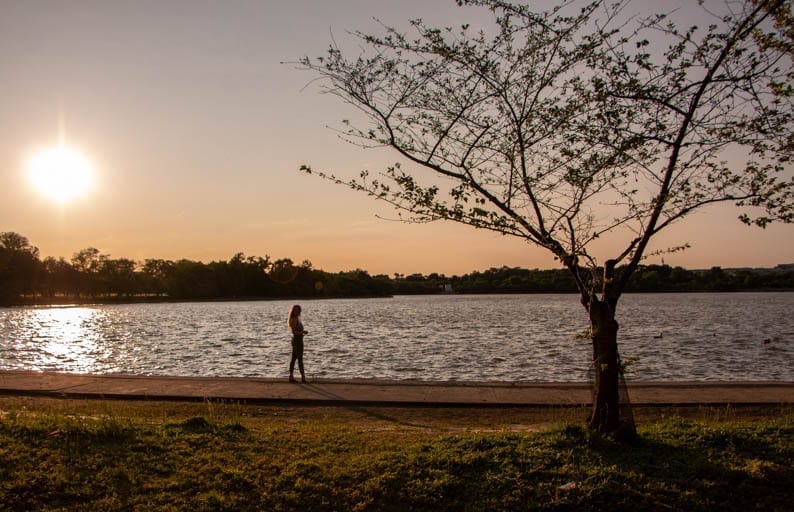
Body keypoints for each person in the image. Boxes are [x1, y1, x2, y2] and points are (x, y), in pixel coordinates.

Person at [287, 304, 308, 383]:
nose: (296, 311)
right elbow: (294, 332)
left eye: (298, 310)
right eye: (295, 310)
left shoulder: (297, 318)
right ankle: (303, 377)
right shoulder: (294, 319)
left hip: (299, 340)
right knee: (299, 359)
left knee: (294, 358)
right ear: (293, 311)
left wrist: (302, 333)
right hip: (297, 340)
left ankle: (291, 377)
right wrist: (303, 332)